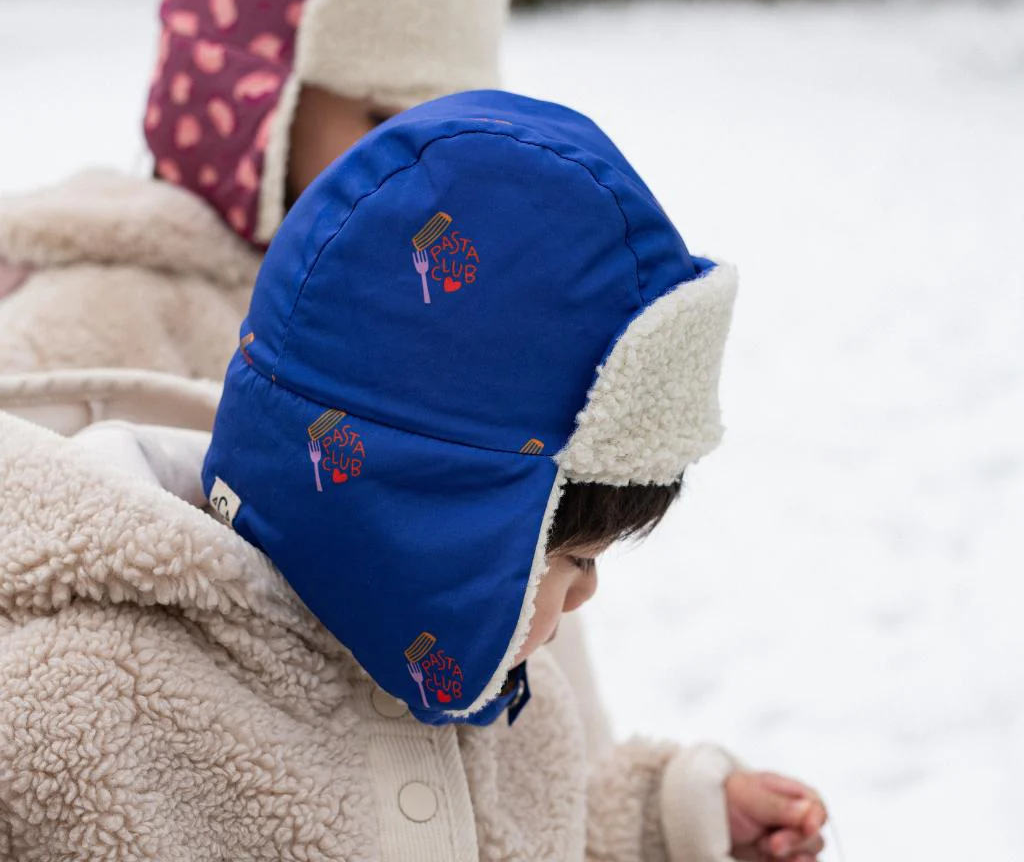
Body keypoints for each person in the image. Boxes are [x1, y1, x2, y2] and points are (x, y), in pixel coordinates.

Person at [0, 90, 828, 860]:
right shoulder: (76, 715)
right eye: (568, 553)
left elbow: (525, 827)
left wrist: (667, 819)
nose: (585, 595)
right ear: (427, 518)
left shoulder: (496, 695)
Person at [0, 0, 518, 376]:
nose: (427, 168)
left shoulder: (412, 309)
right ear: (259, 106)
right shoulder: (100, 316)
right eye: (383, 120)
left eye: (454, 133)